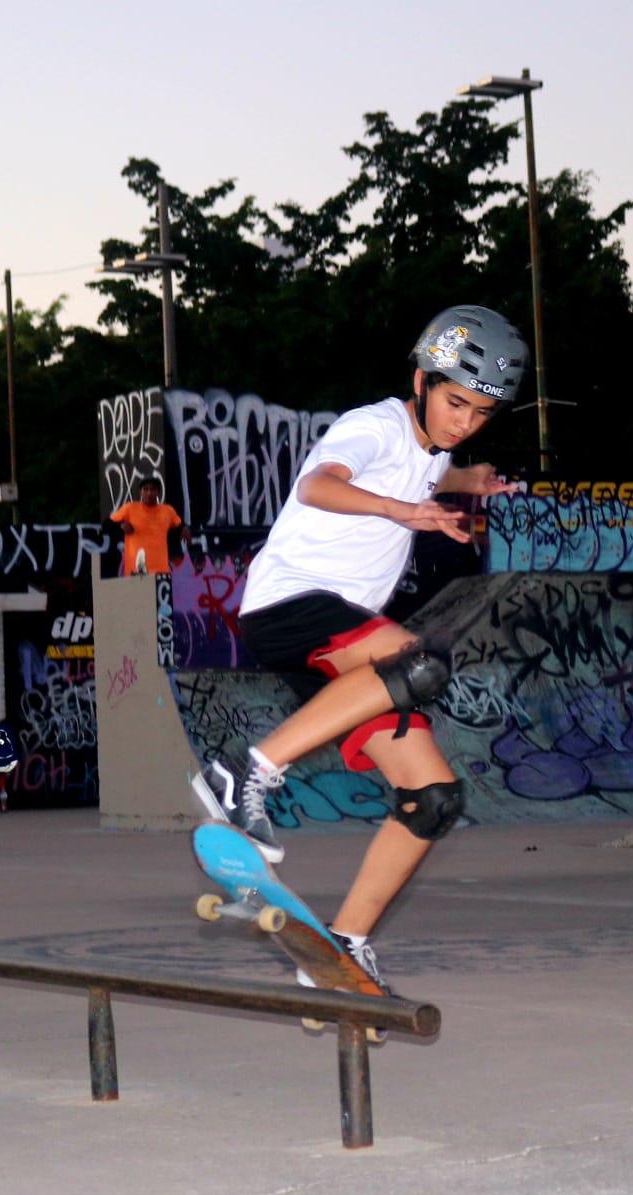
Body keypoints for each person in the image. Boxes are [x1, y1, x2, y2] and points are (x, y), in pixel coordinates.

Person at [190, 305, 529, 995]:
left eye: (481, 413)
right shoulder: (372, 425)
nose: (463, 423)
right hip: (290, 604)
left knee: (432, 795)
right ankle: (240, 776)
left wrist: (472, 479)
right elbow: (317, 483)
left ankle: (344, 946)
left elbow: (430, 473)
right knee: (417, 661)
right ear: (421, 381)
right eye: (455, 402)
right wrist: (405, 513)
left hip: (335, 645)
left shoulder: (433, 451)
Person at [109, 476, 191, 575]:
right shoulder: (129, 509)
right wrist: (121, 526)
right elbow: (108, 524)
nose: (149, 493)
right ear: (140, 492)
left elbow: (179, 525)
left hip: (161, 571)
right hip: (135, 571)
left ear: (158, 492)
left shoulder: (168, 510)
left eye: (152, 489)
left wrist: (185, 528)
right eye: (145, 489)